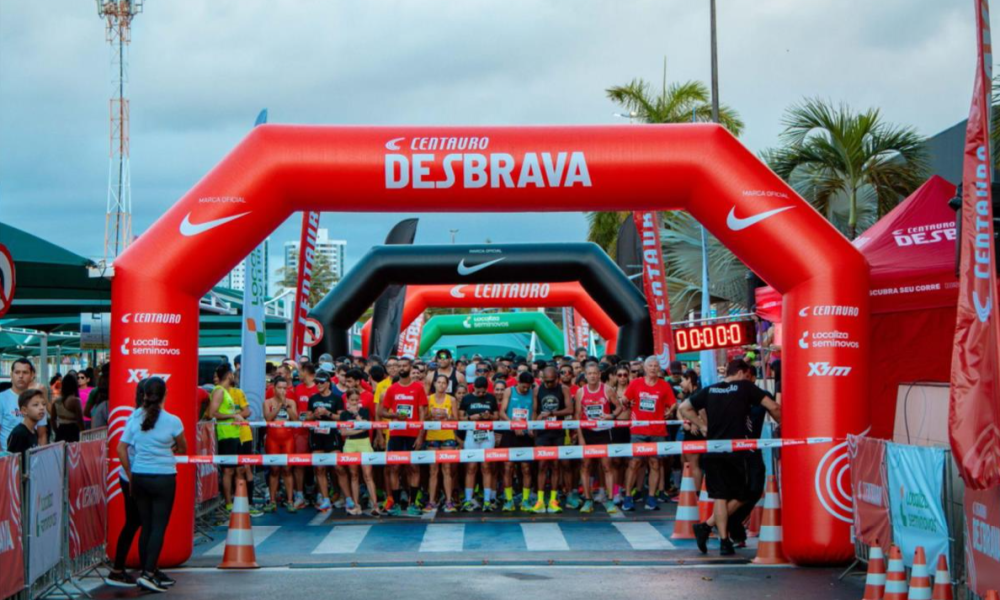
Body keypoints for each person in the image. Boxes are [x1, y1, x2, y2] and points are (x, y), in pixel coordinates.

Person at [679, 359, 781, 556]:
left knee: (721, 496)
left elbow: (684, 407)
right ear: (741, 373)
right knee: (745, 494)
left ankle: (723, 541)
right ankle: (708, 527)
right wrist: (784, 425)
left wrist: (701, 426)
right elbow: (774, 407)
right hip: (737, 452)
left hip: (714, 450)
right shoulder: (745, 387)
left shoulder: (711, 389)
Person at [117, 377, 186, 593]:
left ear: (144, 395)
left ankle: (147, 572)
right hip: (164, 476)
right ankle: (148, 573)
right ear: (165, 394)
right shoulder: (173, 421)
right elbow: (183, 447)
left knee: (146, 526)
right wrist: (170, 448)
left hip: (139, 476)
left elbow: (121, 448)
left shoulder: (135, 417)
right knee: (158, 526)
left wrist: (130, 475)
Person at [105, 379, 149, 588]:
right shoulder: (137, 417)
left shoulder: (144, 416)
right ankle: (124, 569)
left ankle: (144, 569)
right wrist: (131, 477)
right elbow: (122, 448)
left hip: (136, 475)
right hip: (133, 476)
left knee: (139, 522)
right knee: (136, 522)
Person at [621, 356, 677, 512]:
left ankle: (651, 498)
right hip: (638, 430)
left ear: (659, 368)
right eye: (650, 365)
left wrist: (670, 411)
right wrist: (626, 402)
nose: (653, 368)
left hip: (657, 430)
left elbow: (673, 403)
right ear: (645, 368)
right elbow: (625, 398)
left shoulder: (664, 385)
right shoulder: (636, 383)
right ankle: (628, 497)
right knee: (634, 463)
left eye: (655, 366)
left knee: (655, 464)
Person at [378, 357, 427, 516]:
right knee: (395, 467)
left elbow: (422, 413)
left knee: (414, 467)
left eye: (404, 365)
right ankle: (396, 504)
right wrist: (394, 416)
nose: (401, 368)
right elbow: (382, 412)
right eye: (399, 365)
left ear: (410, 367)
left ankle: (413, 504)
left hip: (413, 434)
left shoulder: (418, 387)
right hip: (396, 433)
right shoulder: (392, 389)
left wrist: (420, 436)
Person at [575, 362, 620, 514]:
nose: (593, 376)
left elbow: (619, 407)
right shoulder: (581, 392)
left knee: (607, 466)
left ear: (599, 375)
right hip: (587, 432)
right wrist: (580, 437)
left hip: (603, 432)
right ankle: (588, 500)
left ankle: (610, 500)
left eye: (595, 373)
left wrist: (611, 415)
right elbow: (577, 416)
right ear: (585, 376)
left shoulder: (607, 389)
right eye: (590, 373)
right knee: (585, 466)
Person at [208, 363, 251, 512]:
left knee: (238, 470)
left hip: (234, 434)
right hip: (226, 435)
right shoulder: (219, 391)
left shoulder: (225, 392)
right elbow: (212, 413)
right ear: (229, 376)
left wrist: (234, 416)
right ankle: (228, 503)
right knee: (228, 471)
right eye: (232, 374)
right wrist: (233, 415)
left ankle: (238, 500)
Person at [308, 371, 351, 512]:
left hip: (332, 436)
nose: (318, 385)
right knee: (319, 468)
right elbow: (307, 417)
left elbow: (342, 417)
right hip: (317, 435)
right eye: (316, 382)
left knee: (339, 467)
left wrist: (327, 413)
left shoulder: (336, 398)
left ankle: (348, 498)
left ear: (328, 383)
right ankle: (325, 499)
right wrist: (314, 415)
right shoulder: (312, 398)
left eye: (321, 382)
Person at [532, 365, 573, 514]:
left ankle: (553, 500)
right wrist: (533, 426)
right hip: (542, 433)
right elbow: (534, 410)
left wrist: (551, 413)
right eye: (546, 381)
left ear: (557, 378)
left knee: (556, 466)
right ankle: (540, 500)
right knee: (542, 465)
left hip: (558, 432)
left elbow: (570, 409)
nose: (548, 384)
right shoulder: (537, 390)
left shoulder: (564, 389)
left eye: (551, 381)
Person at [458, 377, 498, 512]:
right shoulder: (467, 398)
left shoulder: (491, 398)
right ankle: (468, 500)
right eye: (478, 391)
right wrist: (470, 418)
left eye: (483, 392)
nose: (481, 394)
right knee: (471, 467)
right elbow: (460, 418)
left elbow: (496, 416)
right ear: (473, 387)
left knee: (486, 467)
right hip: (471, 433)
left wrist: (489, 416)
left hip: (487, 434)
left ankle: (487, 501)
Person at [339, 389, 381, 516]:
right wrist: (360, 429)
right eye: (352, 400)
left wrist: (356, 415)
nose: (354, 402)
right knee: (354, 475)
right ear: (347, 400)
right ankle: (356, 505)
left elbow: (367, 427)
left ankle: (375, 505)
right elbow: (343, 432)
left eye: (356, 400)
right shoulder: (343, 414)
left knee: (368, 475)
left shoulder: (364, 411)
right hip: (350, 444)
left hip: (364, 443)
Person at [500, 371, 536, 512]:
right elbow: (502, 412)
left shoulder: (533, 392)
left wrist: (532, 426)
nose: (525, 389)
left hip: (526, 434)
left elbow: (534, 411)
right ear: (518, 382)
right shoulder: (509, 391)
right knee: (508, 467)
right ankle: (509, 500)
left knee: (526, 468)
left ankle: (525, 500)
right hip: (510, 433)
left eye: (528, 387)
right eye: (523, 387)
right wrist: (513, 424)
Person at [263, 378, 298, 512]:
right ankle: (272, 500)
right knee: (274, 469)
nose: (282, 391)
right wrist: (279, 406)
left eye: (285, 388)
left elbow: (295, 419)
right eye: (280, 388)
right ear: (274, 388)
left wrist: (287, 407)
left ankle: (290, 501)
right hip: (273, 439)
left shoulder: (291, 402)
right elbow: (268, 418)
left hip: (287, 438)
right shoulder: (267, 402)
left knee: (288, 469)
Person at [424, 374, 458, 513]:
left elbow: (456, 419)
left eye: (444, 383)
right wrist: (431, 415)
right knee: (433, 471)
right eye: (439, 382)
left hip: (447, 436)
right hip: (432, 436)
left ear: (447, 385)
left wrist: (447, 416)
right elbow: (424, 418)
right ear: (435, 384)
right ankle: (432, 501)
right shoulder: (428, 399)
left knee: (447, 469)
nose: (441, 385)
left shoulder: (452, 399)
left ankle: (449, 501)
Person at [1, 358, 49, 449]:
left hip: (32, 454)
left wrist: (42, 455)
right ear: (11, 375)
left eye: (25, 372)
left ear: (32, 375)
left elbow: (42, 434)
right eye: (17, 372)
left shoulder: (38, 400)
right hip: (8, 454)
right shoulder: (2, 398)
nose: (21, 376)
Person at [291, 362, 318, 509]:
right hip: (300, 431)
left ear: (307, 372)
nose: (298, 373)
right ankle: (300, 495)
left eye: (300, 371)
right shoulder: (298, 388)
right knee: (299, 463)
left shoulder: (318, 387)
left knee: (319, 464)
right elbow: (295, 410)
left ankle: (320, 494)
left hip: (317, 431)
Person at [678, 369, 705, 493]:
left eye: (682, 380)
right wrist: (684, 422)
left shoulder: (698, 394)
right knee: (685, 460)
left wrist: (696, 423)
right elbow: (680, 410)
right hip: (688, 432)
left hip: (696, 433)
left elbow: (703, 412)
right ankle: (689, 491)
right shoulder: (688, 394)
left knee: (693, 463)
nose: (681, 384)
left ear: (689, 379)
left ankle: (696, 493)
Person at [6, 389, 46, 455]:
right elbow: (12, 459)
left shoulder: (34, 431)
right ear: (24, 410)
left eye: (44, 404)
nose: (42, 407)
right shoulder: (19, 434)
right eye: (36, 405)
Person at [51, 371, 84, 443]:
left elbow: (53, 419)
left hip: (61, 430)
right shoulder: (76, 401)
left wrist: (57, 431)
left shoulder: (56, 402)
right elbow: (80, 421)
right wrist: (83, 433)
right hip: (73, 432)